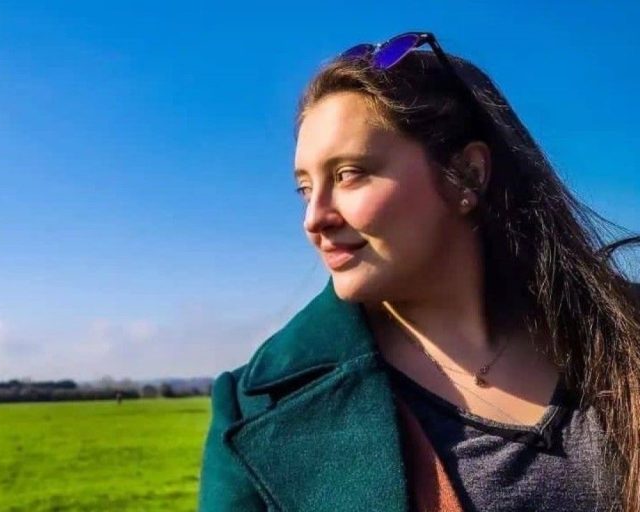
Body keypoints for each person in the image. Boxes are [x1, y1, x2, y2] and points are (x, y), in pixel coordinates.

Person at [197, 32, 640, 512]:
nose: (314, 218)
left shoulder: (624, 332)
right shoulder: (254, 409)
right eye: (305, 189)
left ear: (467, 174)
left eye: (348, 174)